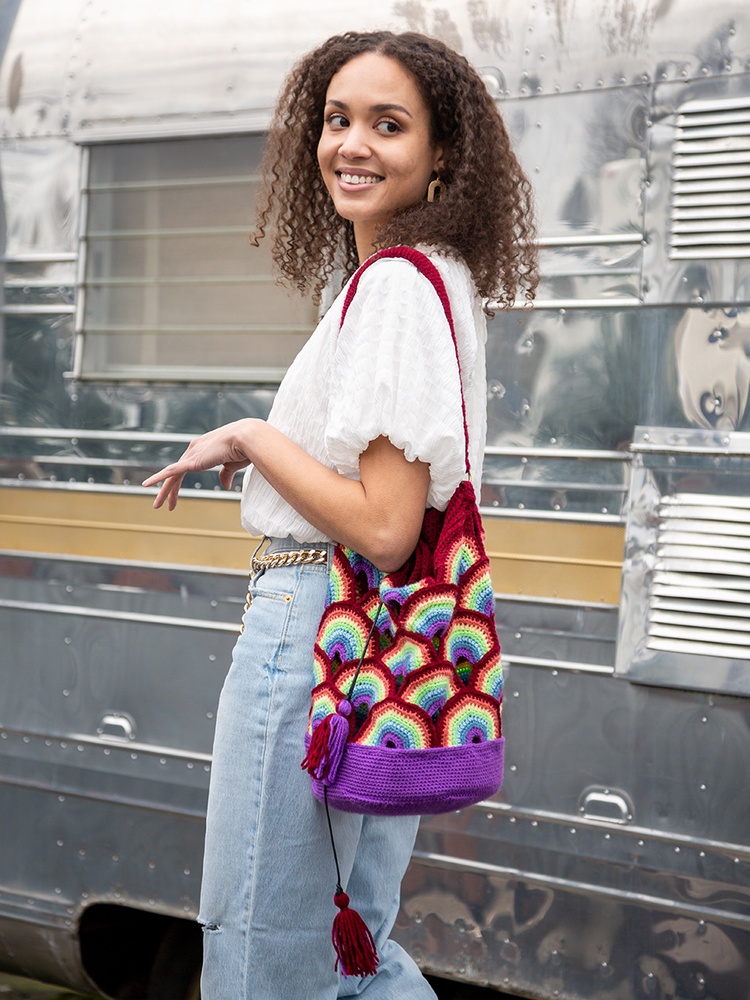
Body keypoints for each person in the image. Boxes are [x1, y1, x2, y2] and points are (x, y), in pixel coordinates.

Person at [143, 29, 537, 1000]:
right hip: (384, 644)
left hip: (319, 626)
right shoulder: (436, 277)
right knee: (352, 949)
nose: (351, 144)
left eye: (388, 125)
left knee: (264, 949)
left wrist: (249, 436)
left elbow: (385, 524)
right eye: (336, 119)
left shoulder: (397, 287)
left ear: (444, 154)